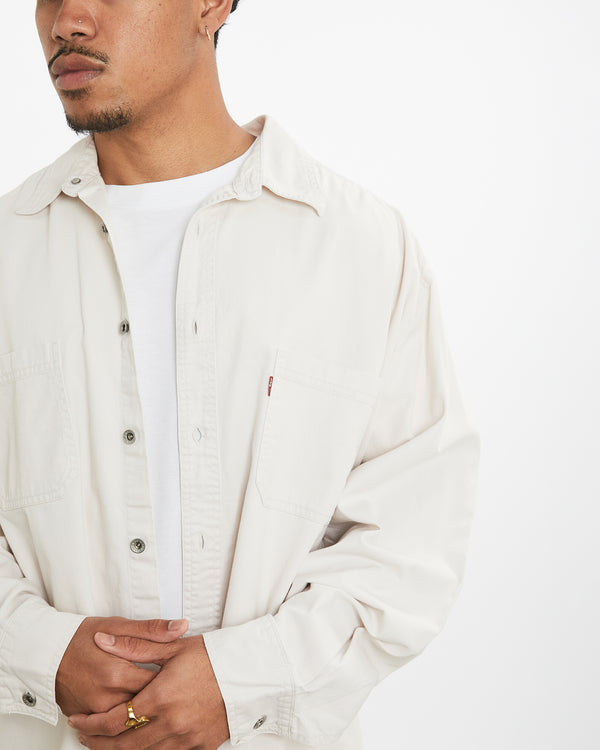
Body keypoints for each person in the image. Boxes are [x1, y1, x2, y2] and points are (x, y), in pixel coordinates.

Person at [0, 1, 481, 749]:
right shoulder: (8, 252)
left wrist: (243, 682)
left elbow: (411, 535)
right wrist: (40, 650)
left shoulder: (358, 246)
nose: (69, 20)